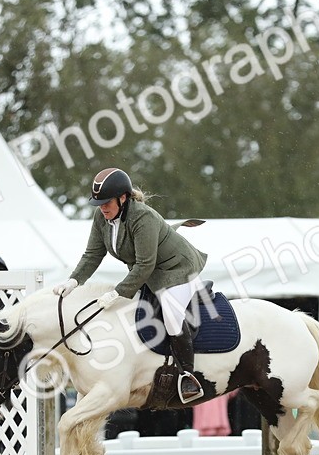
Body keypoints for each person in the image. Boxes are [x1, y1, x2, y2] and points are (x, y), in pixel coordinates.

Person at [53, 167, 209, 403]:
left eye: (107, 202)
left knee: (172, 315)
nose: (103, 208)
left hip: (176, 269)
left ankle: (188, 376)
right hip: (149, 272)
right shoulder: (102, 217)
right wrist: (74, 280)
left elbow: (145, 264)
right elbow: (93, 254)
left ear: (123, 198)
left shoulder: (142, 217)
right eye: (99, 203)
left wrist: (118, 292)